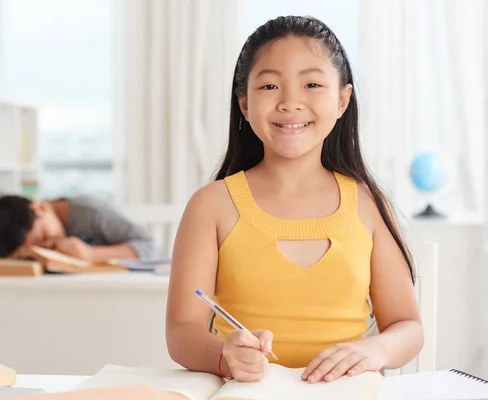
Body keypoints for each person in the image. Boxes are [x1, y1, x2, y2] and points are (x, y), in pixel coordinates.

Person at [166, 16, 423, 384]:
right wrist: (225, 357)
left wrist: (374, 350)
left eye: (312, 84)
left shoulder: (368, 203)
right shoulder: (211, 205)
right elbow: (181, 332)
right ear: (244, 103)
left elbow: (407, 326)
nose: (290, 102)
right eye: (270, 85)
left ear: (342, 99)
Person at [0, 194, 161, 263]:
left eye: (44, 235)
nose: (48, 246)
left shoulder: (90, 212)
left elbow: (151, 248)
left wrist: (91, 255)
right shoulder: (13, 228)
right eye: (37, 247)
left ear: (41, 207)